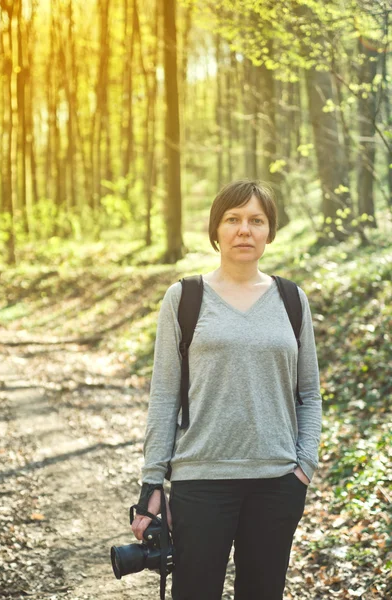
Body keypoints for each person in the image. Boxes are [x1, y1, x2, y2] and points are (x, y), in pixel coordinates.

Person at [131, 179, 322, 600]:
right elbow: (164, 396)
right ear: (216, 230)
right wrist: (152, 485)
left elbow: (308, 392)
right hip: (202, 480)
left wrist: (304, 465)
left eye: (257, 221)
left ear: (270, 232)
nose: (244, 230)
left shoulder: (292, 299)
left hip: (276, 483)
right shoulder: (184, 298)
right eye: (233, 219)